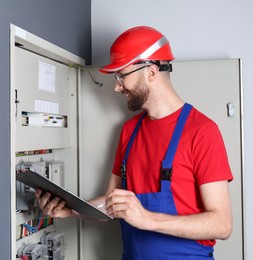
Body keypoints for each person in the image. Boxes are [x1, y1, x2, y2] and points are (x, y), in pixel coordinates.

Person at [35, 26, 233, 259]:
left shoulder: (202, 131)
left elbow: (222, 224)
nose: (117, 86)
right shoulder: (130, 130)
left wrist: (147, 219)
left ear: (150, 72)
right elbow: (111, 204)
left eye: (121, 75)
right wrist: (72, 210)